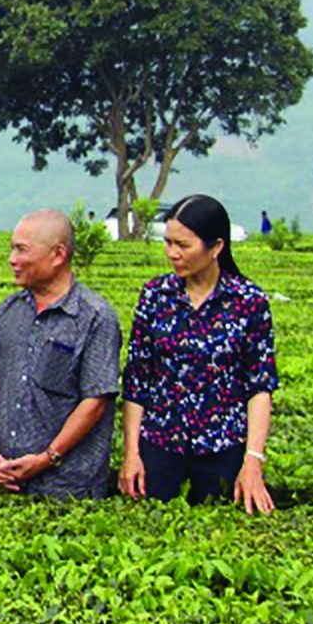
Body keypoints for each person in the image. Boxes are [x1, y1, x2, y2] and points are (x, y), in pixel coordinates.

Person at [120, 194, 277, 513]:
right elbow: (138, 381)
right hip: (160, 445)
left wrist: (253, 460)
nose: (172, 253)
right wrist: (131, 453)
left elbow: (259, 387)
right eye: (167, 243)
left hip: (224, 448)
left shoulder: (248, 301)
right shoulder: (155, 296)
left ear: (216, 247)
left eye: (183, 245)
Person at [0, 210, 121, 498]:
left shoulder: (95, 317)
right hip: (1, 477)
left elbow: (95, 401)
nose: (12, 259)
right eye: (12, 248)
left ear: (58, 254)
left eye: (21, 249)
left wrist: (47, 458)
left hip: (66, 487)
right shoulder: (10, 310)